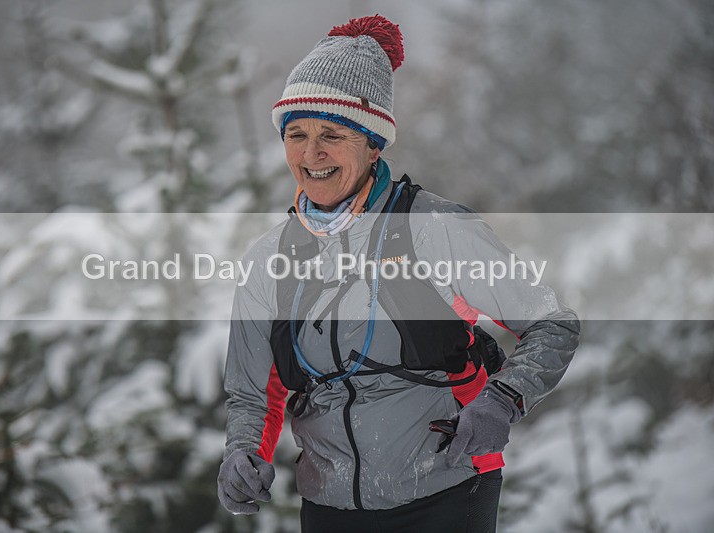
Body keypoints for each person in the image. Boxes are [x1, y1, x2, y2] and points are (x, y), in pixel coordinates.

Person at [217, 15, 580, 533]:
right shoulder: (268, 260)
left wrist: (503, 400)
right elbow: (254, 392)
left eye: (332, 134)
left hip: (448, 489)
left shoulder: (435, 229)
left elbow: (552, 323)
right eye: (296, 134)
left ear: (373, 145)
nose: (311, 153)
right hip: (330, 506)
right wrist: (242, 452)